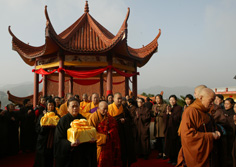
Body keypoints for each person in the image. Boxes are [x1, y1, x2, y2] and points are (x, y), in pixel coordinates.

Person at [177, 88, 221, 167]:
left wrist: (216, 131)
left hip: (208, 155)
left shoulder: (205, 112)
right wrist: (211, 136)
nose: (212, 103)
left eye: (213, 101)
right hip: (195, 156)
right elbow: (188, 135)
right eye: (210, 100)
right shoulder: (191, 111)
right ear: (201, 97)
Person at [54, 97, 97, 167]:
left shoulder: (83, 119)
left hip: (81, 153)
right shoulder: (63, 121)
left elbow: (88, 133)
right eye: (73, 106)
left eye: (77, 106)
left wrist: (91, 141)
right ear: (67, 108)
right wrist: (69, 144)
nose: (75, 108)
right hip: (69, 155)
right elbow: (58, 139)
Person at [88, 101, 122, 167]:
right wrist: (103, 137)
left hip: (109, 144)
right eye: (104, 109)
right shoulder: (93, 117)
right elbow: (90, 132)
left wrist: (111, 132)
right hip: (99, 145)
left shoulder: (108, 116)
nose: (106, 111)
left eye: (107, 109)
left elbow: (114, 125)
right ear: (98, 108)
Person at [108, 93, 136, 167]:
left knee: (123, 149)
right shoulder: (109, 107)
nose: (120, 100)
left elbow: (130, 118)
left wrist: (125, 120)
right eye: (118, 98)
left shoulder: (124, 108)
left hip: (122, 132)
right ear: (114, 99)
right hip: (112, 132)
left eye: (121, 99)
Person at [34, 99, 59, 167]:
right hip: (43, 140)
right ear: (46, 106)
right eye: (49, 105)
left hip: (53, 140)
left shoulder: (57, 116)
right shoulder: (42, 116)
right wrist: (44, 127)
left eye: (52, 105)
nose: (51, 107)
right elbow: (37, 128)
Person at [164, 95, 182, 165]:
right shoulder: (168, 107)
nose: (171, 101)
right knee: (169, 144)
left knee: (175, 145)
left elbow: (177, 118)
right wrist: (167, 113)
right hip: (168, 128)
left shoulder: (179, 108)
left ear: (176, 101)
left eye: (173, 100)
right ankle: (170, 158)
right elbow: (164, 118)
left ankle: (175, 159)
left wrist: (170, 113)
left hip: (175, 129)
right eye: (170, 100)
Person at [151, 94, 167, 160]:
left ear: (161, 99)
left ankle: (164, 153)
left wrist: (159, 113)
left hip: (163, 124)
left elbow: (166, 114)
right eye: (156, 99)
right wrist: (155, 113)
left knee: (163, 140)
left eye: (158, 98)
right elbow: (153, 114)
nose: (157, 100)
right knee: (158, 140)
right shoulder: (154, 106)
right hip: (157, 125)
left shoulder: (165, 105)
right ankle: (160, 153)